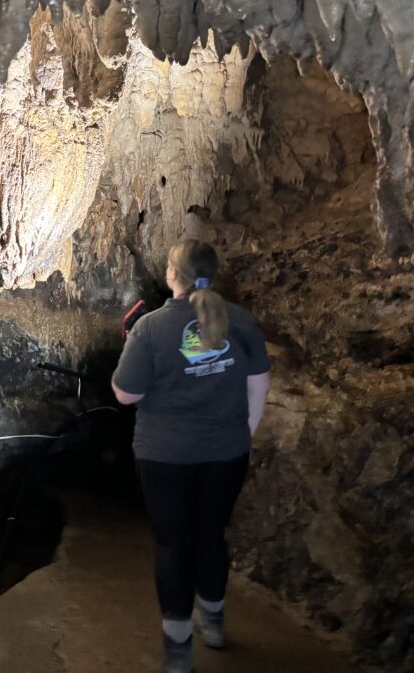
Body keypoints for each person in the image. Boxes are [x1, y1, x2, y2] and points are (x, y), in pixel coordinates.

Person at [111, 239, 271, 673]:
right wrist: (242, 435)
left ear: (171, 275)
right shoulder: (240, 321)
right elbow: (258, 384)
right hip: (226, 453)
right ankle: (213, 623)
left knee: (172, 545)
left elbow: (126, 395)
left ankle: (179, 650)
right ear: (213, 274)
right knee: (210, 535)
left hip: (165, 455)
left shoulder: (149, 328)